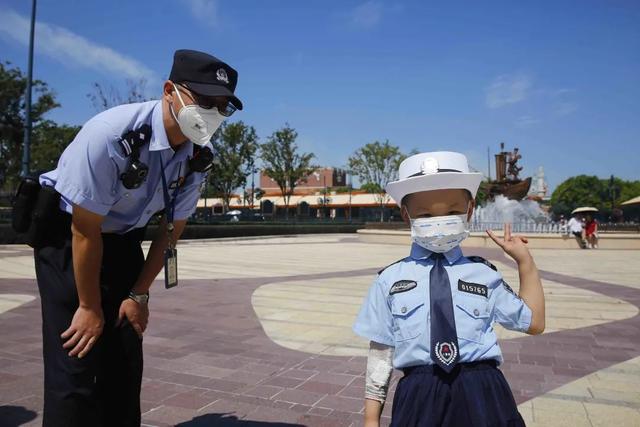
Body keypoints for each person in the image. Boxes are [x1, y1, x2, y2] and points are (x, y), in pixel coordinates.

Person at [33, 49, 243, 426]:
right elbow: (84, 230)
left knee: (125, 357)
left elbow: (170, 229)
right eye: (204, 101)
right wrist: (88, 306)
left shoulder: (199, 155)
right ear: (169, 90)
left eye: (222, 107)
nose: (212, 113)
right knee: (76, 360)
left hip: (124, 241)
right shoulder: (112, 135)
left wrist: (138, 294)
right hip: (70, 241)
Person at [353, 151, 545, 427]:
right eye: (425, 213)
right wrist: (371, 420)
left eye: (454, 211)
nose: (440, 219)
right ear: (406, 215)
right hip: (419, 397)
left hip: (484, 394)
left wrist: (524, 261)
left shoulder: (484, 273)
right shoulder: (389, 280)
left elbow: (534, 322)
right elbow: (381, 354)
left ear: (470, 210)